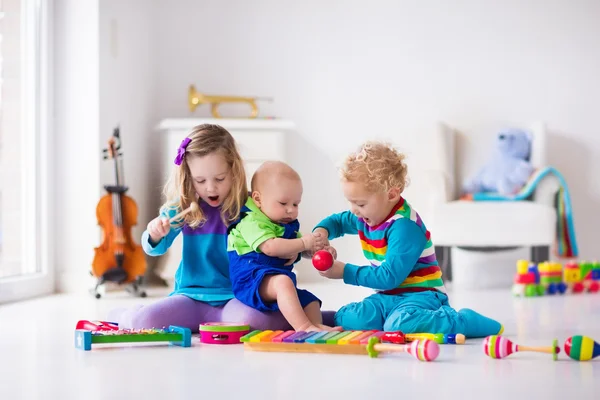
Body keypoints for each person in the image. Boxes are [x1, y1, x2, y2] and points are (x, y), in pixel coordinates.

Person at [109, 124, 333, 332]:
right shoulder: (183, 207)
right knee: (144, 321)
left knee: (259, 322)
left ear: (234, 171)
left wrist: (308, 248)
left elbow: (284, 236)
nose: (211, 188)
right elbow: (153, 248)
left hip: (236, 298)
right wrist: (155, 233)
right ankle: (127, 314)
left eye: (219, 178)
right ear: (189, 177)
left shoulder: (252, 207)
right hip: (191, 297)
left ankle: (319, 318)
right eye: (200, 180)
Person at [313, 141, 504, 337]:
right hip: (387, 297)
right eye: (350, 202)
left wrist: (344, 271)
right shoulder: (367, 216)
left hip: (422, 296)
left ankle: (462, 321)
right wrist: (321, 233)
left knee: (399, 325)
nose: (354, 210)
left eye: (360, 203)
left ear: (392, 194)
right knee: (353, 319)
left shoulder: (405, 227)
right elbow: (337, 222)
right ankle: (316, 320)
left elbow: (389, 277)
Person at [227, 161, 339, 332]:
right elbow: (270, 247)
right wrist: (303, 242)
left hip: (276, 280)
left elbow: (303, 249)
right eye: (283, 203)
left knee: (310, 300)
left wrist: (319, 250)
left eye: (296, 204)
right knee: (284, 282)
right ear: (258, 199)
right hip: (250, 280)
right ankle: (304, 327)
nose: (291, 210)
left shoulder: (285, 224)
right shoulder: (250, 221)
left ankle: (317, 327)